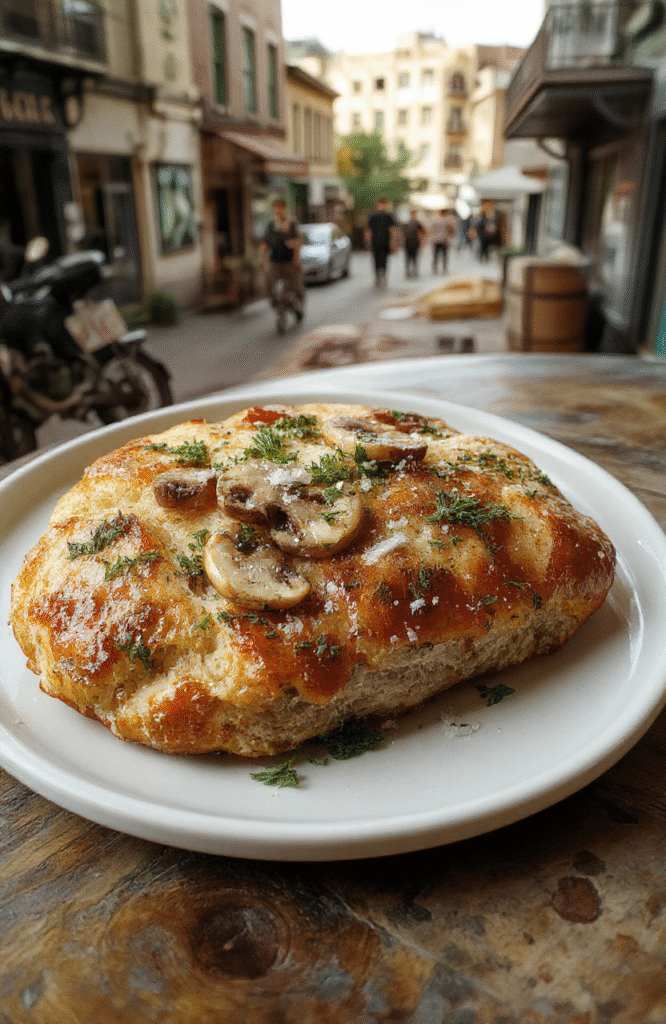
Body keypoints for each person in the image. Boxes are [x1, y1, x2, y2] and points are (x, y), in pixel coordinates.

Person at [260, 198, 304, 320]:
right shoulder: (270, 226)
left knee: (296, 287)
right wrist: (262, 262)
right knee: (267, 283)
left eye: (280, 209)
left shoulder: (292, 224)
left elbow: (299, 242)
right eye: (275, 209)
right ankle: (276, 304)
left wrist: (295, 257)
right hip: (275, 262)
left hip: (290, 262)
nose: (278, 211)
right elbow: (264, 244)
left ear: (284, 209)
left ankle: (298, 305)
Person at [364, 197, 398, 287]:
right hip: (375, 242)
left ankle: (383, 275)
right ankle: (377, 277)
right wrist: (368, 242)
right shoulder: (373, 215)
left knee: (384, 260)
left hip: (385, 242)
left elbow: (393, 230)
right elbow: (368, 230)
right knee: (376, 260)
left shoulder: (389, 216)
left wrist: (393, 242)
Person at [430, 208, 457, 273]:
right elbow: (452, 231)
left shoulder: (436, 220)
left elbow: (432, 231)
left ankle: (436, 268)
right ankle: (443, 268)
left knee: (436, 256)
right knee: (443, 256)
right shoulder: (447, 221)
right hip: (443, 240)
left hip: (438, 240)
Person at [403, 209, 426, 279]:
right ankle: (408, 271)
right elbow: (403, 234)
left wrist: (421, 241)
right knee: (408, 258)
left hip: (415, 243)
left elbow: (423, 232)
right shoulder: (406, 223)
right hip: (407, 243)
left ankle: (414, 270)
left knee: (415, 258)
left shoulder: (417, 223)